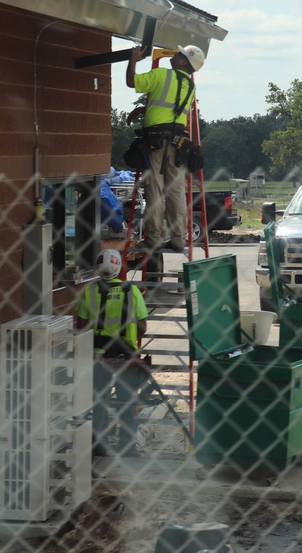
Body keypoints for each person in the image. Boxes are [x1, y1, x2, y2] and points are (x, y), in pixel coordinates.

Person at [125, 44, 206, 251]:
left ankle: (153, 238)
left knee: (155, 189)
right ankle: (178, 238)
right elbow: (171, 111)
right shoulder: (190, 86)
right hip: (178, 144)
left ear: (182, 61)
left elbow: (131, 81)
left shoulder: (162, 74)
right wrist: (146, 109)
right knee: (176, 192)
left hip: (156, 143)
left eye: (179, 54)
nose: (176, 55)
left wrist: (133, 59)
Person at [74, 248, 149, 457]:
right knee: (126, 401)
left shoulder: (88, 293)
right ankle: (127, 446)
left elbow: (81, 329)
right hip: (126, 356)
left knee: (99, 401)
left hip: (98, 355)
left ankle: (99, 445)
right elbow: (143, 328)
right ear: (118, 267)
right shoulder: (132, 292)